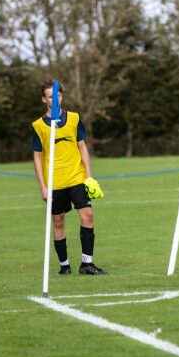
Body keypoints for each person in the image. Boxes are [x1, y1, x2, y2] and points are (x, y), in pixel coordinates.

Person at [31, 79, 108, 275]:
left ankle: (87, 264)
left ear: (61, 96)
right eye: (50, 96)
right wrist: (42, 187)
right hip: (54, 181)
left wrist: (89, 176)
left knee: (87, 215)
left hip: (77, 177)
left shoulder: (74, 118)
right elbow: (37, 158)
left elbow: (82, 147)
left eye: (57, 95)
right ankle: (64, 266)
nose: (54, 98)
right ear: (43, 99)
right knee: (58, 222)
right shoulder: (38, 126)